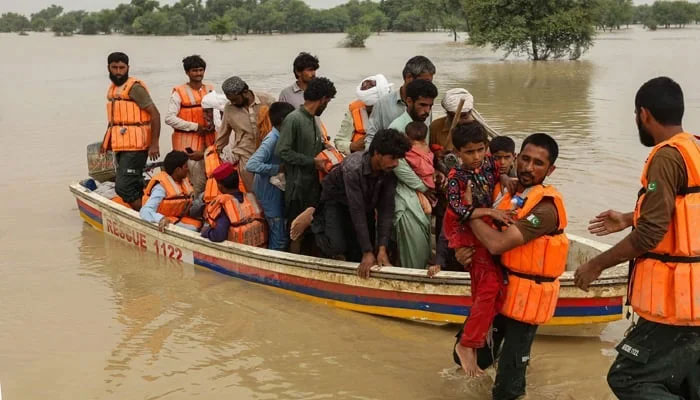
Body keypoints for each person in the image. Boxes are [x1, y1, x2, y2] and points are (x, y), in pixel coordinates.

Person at [574, 77, 700, 400]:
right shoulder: (695, 148)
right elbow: (685, 208)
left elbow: (650, 234)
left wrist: (596, 266)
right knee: (685, 384)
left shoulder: (666, 157)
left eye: (635, 115)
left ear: (644, 114)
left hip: (677, 304)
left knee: (628, 377)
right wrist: (628, 218)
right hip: (695, 299)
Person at [453, 133, 567, 399]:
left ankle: (512, 372)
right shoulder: (511, 189)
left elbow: (496, 244)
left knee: (508, 388)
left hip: (527, 299)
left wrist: (468, 212)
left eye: (538, 163)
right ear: (516, 158)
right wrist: (462, 251)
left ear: (550, 170)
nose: (529, 167)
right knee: (467, 354)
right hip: (499, 290)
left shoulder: (546, 209)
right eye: (525, 159)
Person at [436, 122, 514, 376]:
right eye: (470, 152)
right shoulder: (456, 177)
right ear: (458, 153)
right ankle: (467, 344)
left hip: (486, 234)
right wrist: (490, 211)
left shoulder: (490, 165)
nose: (477, 157)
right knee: (489, 288)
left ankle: (477, 341)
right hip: (469, 236)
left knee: (494, 292)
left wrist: (502, 176)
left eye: (481, 150)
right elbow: (460, 210)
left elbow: (497, 172)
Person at [311, 129, 411, 276]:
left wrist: (381, 248)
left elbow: (386, 209)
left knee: (364, 251)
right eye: (392, 158)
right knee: (337, 246)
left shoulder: (389, 170)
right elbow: (356, 209)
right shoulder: (354, 167)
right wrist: (367, 251)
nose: (396, 163)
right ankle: (314, 225)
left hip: (366, 203)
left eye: (398, 159)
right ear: (377, 153)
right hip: (336, 201)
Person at [275, 77, 337, 254]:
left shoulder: (313, 120)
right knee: (296, 232)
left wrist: (326, 147)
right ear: (323, 99)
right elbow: (282, 151)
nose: (327, 106)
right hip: (297, 188)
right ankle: (292, 263)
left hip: (312, 186)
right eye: (328, 101)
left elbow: (312, 146)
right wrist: (312, 161)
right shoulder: (294, 119)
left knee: (312, 229)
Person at [388, 79, 438, 269]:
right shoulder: (397, 128)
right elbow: (398, 165)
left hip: (422, 194)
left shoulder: (420, 125)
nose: (427, 110)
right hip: (404, 194)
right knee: (413, 248)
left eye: (430, 106)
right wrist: (423, 187)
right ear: (408, 101)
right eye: (422, 105)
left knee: (424, 247)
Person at [100, 51, 161, 211]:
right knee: (134, 184)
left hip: (137, 147)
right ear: (108, 68)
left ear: (128, 67)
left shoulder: (135, 88)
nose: (118, 71)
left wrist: (154, 143)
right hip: (122, 145)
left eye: (122, 67)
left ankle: (147, 216)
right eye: (115, 67)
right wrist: (106, 141)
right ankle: (144, 211)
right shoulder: (114, 89)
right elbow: (115, 120)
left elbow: (155, 114)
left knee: (123, 187)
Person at [246, 102, 296, 251]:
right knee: (278, 233)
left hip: (276, 189)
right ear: (282, 121)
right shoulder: (272, 140)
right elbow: (251, 165)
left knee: (280, 229)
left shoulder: (282, 135)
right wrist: (277, 168)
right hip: (268, 191)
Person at [165, 55, 214, 195]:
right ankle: (192, 209)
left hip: (208, 144)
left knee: (209, 179)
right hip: (187, 145)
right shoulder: (179, 92)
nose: (198, 74)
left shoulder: (210, 90)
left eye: (200, 70)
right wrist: (195, 126)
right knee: (193, 183)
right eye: (194, 71)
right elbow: (169, 118)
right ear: (187, 72)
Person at [216, 76, 275, 192]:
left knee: (272, 190)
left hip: (269, 152)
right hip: (246, 156)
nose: (232, 103)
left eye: (235, 99)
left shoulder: (267, 100)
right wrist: (217, 152)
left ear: (245, 92)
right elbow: (223, 134)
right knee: (253, 193)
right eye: (230, 100)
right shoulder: (229, 108)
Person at [365, 56, 436, 149]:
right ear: (408, 77)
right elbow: (371, 138)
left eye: (430, 83)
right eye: (425, 82)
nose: (427, 86)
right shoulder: (383, 104)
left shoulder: (427, 105)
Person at [201, 163, 267, 247]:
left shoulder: (224, 205)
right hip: (259, 249)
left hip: (237, 253)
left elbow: (219, 235)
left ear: (220, 186)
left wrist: (206, 232)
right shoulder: (252, 197)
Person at [140, 151, 201, 232]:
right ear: (178, 170)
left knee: (202, 226)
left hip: (180, 218)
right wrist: (161, 219)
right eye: (186, 166)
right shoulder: (160, 187)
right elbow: (145, 211)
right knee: (194, 229)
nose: (188, 169)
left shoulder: (184, 181)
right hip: (169, 221)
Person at [334, 74, 393, 155]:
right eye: (368, 105)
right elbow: (339, 141)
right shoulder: (355, 110)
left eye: (373, 106)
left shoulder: (396, 110)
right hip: (359, 159)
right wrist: (352, 146)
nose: (370, 109)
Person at [430, 88, 498, 153]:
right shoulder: (436, 126)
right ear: (447, 113)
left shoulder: (479, 128)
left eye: (463, 116)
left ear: (470, 112)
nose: (458, 121)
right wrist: (437, 154)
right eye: (453, 116)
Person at [404, 121, 435, 214]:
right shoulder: (426, 147)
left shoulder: (410, 150)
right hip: (429, 181)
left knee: (427, 209)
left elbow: (423, 169)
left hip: (424, 182)